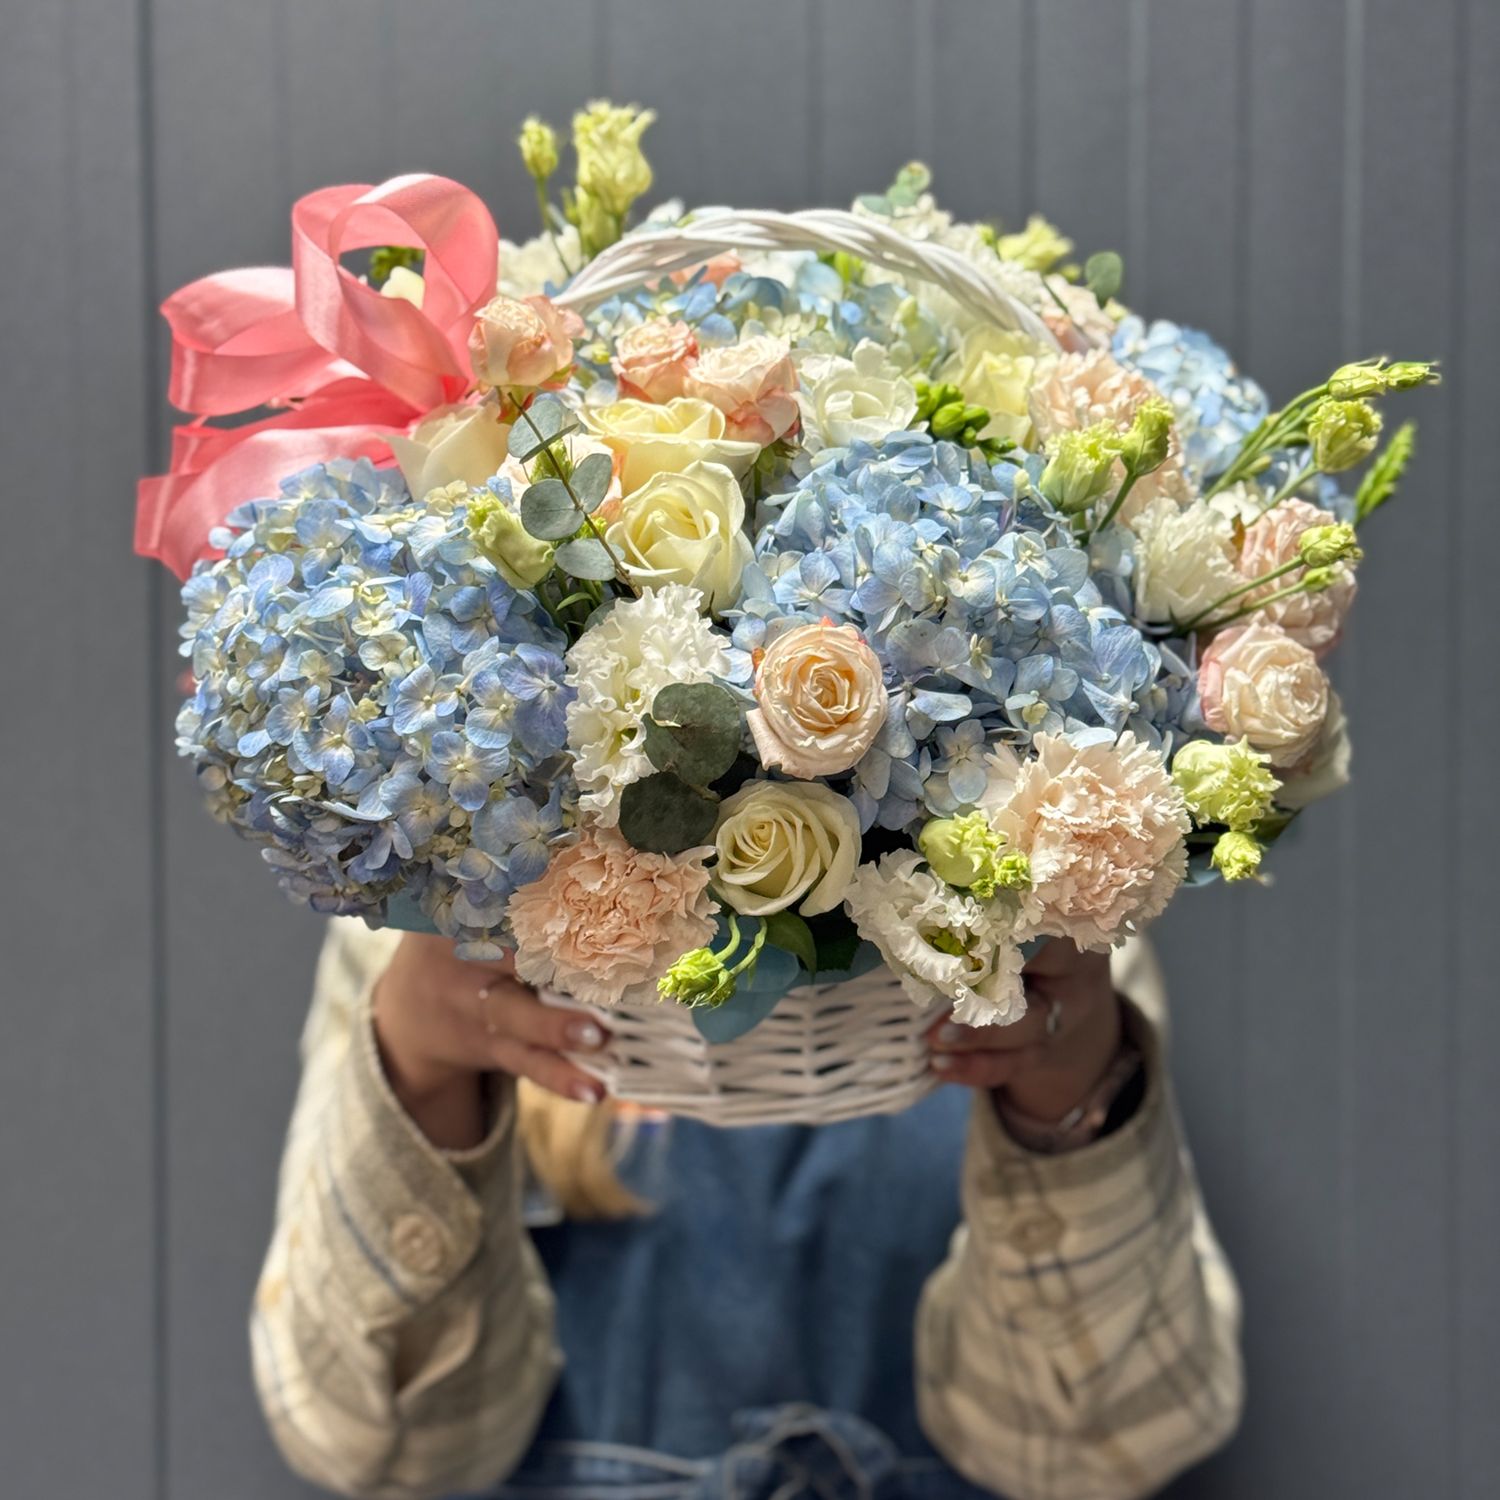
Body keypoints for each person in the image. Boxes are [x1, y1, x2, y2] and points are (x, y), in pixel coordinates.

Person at [251, 918, 1243, 1500]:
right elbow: (370, 1441)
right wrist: (419, 1070)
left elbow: (1103, 1446)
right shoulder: (441, 903)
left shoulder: (1031, 893)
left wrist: (1069, 1087)